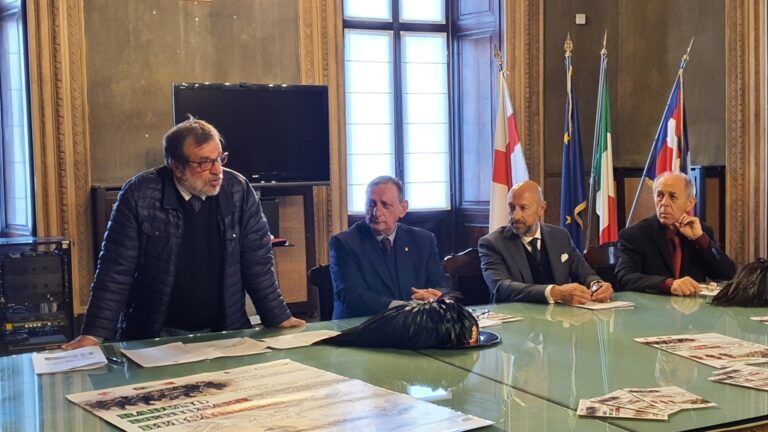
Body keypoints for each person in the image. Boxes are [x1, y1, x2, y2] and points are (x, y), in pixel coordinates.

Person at [63, 118, 304, 350]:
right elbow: (115, 269)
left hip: (226, 331)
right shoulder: (139, 194)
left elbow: (257, 263)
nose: (217, 171)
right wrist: (93, 335)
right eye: (204, 163)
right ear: (177, 167)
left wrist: (279, 317)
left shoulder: (238, 190)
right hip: (155, 336)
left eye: (219, 158)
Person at [329, 176, 451, 319]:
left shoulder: (423, 240)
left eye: (385, 205)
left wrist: (436, 297)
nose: (376, 212)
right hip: (364, 325)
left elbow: (442, 283)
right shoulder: (344, 243)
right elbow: (352, 296)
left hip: (414, 324)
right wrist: (404, 308)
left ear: (403, 209)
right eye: (371, 204)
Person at [478, 180, 613, 305]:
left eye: (523, 208)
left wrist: (597, 285)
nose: (515, 216)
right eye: (512, 207)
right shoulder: (492, 244)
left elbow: (585, 273)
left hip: (560, 318)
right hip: (516, 317)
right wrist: (554, 293)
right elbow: (501, 287)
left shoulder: (560, 236)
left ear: (541, 208)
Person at [616, 171, 736, 296]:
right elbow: (625, 278)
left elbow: (728, 274)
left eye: (672, 197)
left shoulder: (702, 232)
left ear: (690, 203)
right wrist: (668, 284)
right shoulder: (634, 235)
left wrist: (700, 238)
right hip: (653, 306)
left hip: (693, 306)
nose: (664, 203)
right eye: (660, 195)